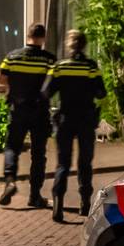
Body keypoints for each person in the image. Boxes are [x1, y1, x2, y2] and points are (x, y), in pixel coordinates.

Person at [43, 30, 106, 222]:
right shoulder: (91, 67)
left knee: (63, 163)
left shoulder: (59, 66)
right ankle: (85, 203)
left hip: (65, 119)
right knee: (85, 162)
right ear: (84, 45)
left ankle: (58, 203)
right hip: (85, 119)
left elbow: (46, 92)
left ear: (68, 45)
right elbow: (101, 93)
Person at [0, 22, 56, 208]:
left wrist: (14, 87)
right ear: (43, 38)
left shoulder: (12, 57)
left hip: (18, 110)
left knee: (12, 147)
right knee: (38, 154)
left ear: (28, 36)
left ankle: (10, 181)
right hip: (40, 112)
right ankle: (35, 195)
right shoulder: (49, 60)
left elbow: (0, 79)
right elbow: (53, 83)